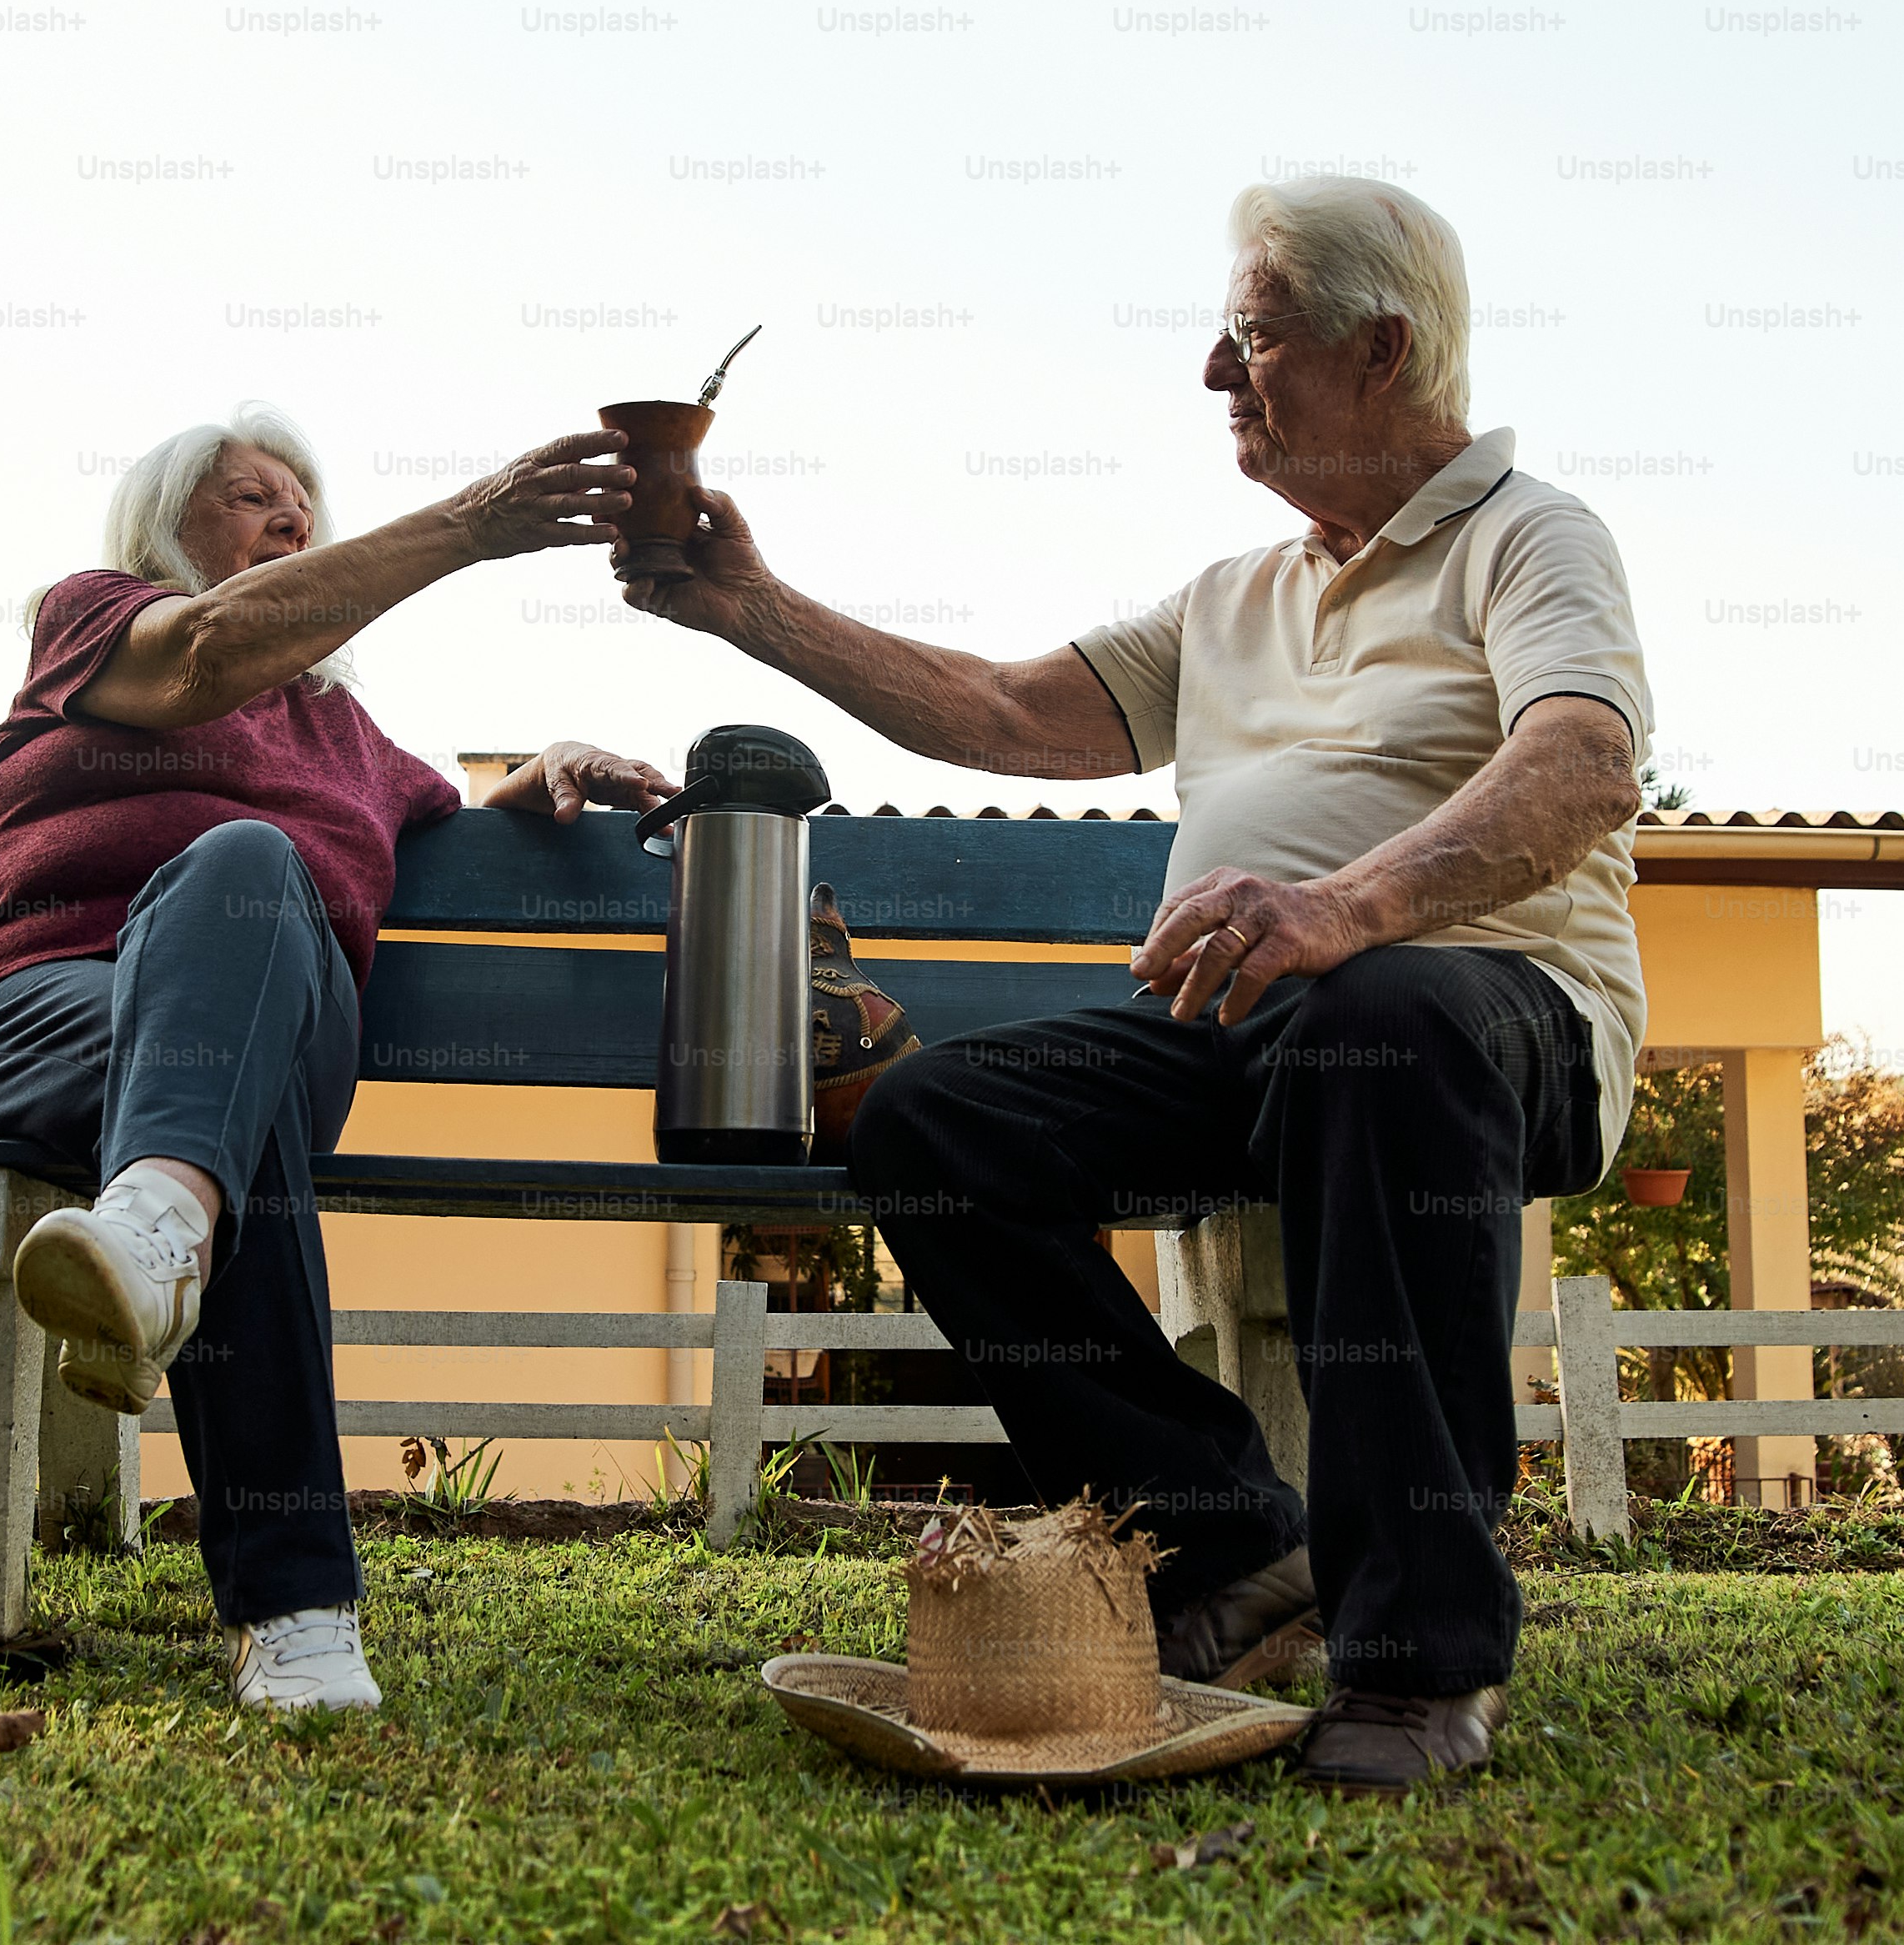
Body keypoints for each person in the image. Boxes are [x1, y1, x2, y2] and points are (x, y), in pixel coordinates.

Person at [620, 179, 1651, 1792]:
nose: (1214, 371)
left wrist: (1347, 907)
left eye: (1253, 332)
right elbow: (1012, 714)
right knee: (937, 1122)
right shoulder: (1236, 593)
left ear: (1379, 351)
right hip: (1246, 1029)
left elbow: (1584, 762)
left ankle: (1418, 1658)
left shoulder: (1530, 538)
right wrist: (749, 607)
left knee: (1383, 1021)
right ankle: (1228, 1536)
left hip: (1489, 1021)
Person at [0, 404, 674, 1711]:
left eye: (303, 502)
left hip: (259, 1032)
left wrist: (542, 765)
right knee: (232, 1089)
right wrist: (472, 525)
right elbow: (205, 648)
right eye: (250, 497)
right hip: (34, 1022)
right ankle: (299, 1610)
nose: (291, 518)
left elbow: (454, 816)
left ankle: (155, 1231)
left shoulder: (348, 739)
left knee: (247, 914)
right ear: (163, 527)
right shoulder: (95, 619)